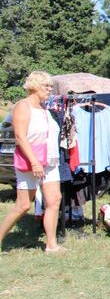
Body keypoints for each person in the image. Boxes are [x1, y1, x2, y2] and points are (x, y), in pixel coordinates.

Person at [0, 71, 63, 253]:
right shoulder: (23, 106)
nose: (50, 89)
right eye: (46, 86)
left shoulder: (45, 108)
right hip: (31, 161)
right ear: (34, 86)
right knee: (23, 205)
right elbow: (20, 137)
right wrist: (34, 162)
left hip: (50, 160)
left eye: (51, 86)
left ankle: (51, 245)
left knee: (54, 200)